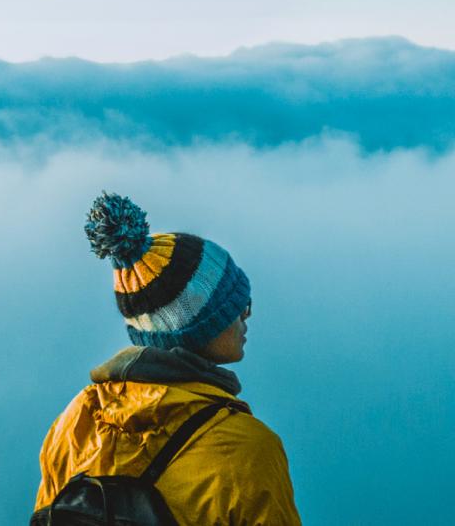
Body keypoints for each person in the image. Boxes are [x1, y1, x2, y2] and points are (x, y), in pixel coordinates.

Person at [32, 192, 302, 525]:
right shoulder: (247, 447)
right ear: (200, 326)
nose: (247, 315)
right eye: (235, 306)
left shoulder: (77, 421)